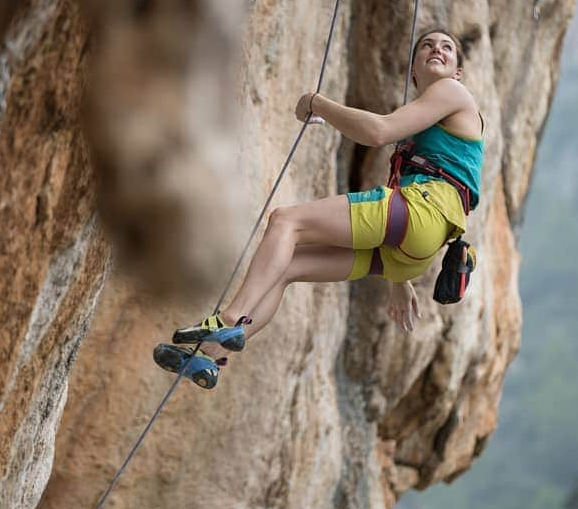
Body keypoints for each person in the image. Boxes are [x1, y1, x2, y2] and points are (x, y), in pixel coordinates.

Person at [153, 29, 485, 388]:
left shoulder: (452, 92)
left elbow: (378, 131)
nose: (437, 49)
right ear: (413, 72)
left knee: (286, 222)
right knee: (287, 266)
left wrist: (316, 102)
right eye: (427, 45)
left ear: (457, 73)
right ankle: (212, 358)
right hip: (416, 247)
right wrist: (399, 277)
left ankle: (229, 317)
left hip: (422, 212)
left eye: (446, 47)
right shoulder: (429, 118)